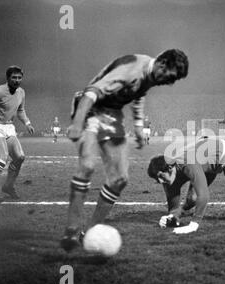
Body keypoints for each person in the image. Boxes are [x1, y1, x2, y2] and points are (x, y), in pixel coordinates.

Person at [60, 49, 189, 252]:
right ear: (162, 64)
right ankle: (72, 231)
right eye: (169, 77)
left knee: (120, 179)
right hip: (90, 108)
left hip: (112, 114)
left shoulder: (150, 74)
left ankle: (90, 233)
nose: (168, 82)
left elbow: (139, 93)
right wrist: (77, 123)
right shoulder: (131, 69)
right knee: (87, 165)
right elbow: (92, 92)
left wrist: (137, 124)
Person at [0, 66, 35, 201]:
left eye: (19, 77)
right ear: (8, 78)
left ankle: (8, 186)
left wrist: (28, 123)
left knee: (19, 157)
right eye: (14, 77)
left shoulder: (21, 92)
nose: (17, 80)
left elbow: (20, 110)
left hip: (9, 127)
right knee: (2, 157)